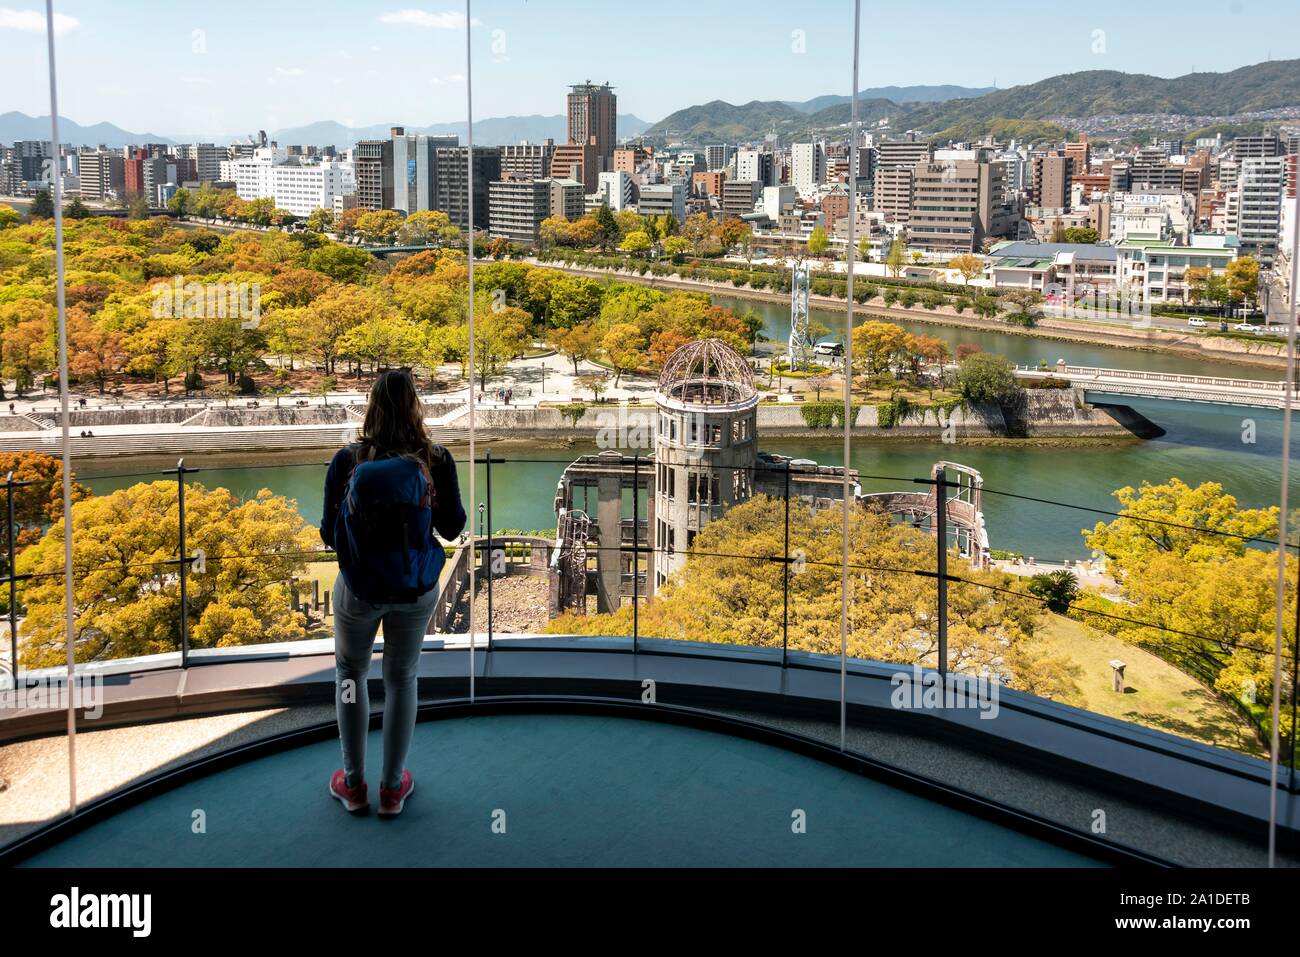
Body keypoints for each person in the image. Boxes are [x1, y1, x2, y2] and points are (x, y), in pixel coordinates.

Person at [320, 369, 466, 817]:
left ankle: (354, 782)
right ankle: (391, 788)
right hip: (415, 586)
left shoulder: (348, 460)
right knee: (402, 679)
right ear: (415, 406)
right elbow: (454, 527)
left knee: (351, 675)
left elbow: (329, 533)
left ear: (371, 405)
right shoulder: (435, 459)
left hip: (359, 588)